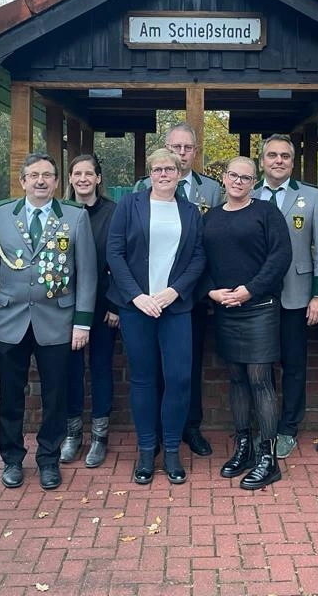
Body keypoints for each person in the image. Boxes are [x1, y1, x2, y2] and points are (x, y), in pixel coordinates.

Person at [0, 152, 97, 491]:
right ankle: (12, 460)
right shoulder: (1, 215)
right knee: (10, 395)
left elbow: (87, 273)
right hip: (10, 319)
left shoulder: (75, 217)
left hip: (57, 320)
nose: (41, 181)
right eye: (34, 175)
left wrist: (83, 322)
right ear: (23, 181)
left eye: (48, 175)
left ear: (57, 182)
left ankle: (48, 458)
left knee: (55, 395)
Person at [107, 148, 206, 485]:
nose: (164, 174)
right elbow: (115, 253)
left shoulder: (191, 212)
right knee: (143, 379)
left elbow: (197, 257)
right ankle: (147, 451)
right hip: (137, 308)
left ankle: (174, 451)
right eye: (157, 169)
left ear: (180, 173)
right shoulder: (129, 206)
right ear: (149, 173)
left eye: (170, 169)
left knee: (179, 378)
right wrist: (137, 296)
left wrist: (173, 292)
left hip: (175, 307)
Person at [202, 156, 292, 490]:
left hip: (260, 307)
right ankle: (244, 446)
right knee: (236, 377)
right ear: (223, 178)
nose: (239, 182)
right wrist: (211, 291)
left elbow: (280, 256)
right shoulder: (210, 219)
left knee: (259, 378)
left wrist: (250, 290)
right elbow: (200, 258)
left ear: (254, 182)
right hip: (225, 308)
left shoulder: (267, 213)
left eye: (246, 177)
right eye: (233, 176)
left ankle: (268, 459)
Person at [134, 122, 221, 456]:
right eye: (176, 147)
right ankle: (153, 432)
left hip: (192, 294)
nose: (181, 154)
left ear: (195, 151)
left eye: (187, 148)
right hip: (148, 298)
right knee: (151, 366)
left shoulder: (210, 190)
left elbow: (211, 242)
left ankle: (190, 427)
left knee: (187, 367)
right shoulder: (144, 185)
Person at [254, 134, 318, 459]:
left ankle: (288, 427)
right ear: (262, 161)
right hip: (255, 297)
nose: (278, 161)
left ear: (292, 161)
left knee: (294, 365)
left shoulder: (313, 198)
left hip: (296, 295)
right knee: (258, 365)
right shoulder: (248, 193)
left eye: (285, 156)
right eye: (272, 155)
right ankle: (263, 424)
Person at [61, 154, 119, 468]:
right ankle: (73, 434)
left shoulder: (114, 212)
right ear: (70, 178)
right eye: (77, 173)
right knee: (70, 371)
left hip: (102, 306)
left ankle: (99, 435)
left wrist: (115, 304)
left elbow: (122, 260)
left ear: (98, 178)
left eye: (89, 174)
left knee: (100, 369)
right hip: (66, 307)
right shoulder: (61, 213)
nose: (83, 179)